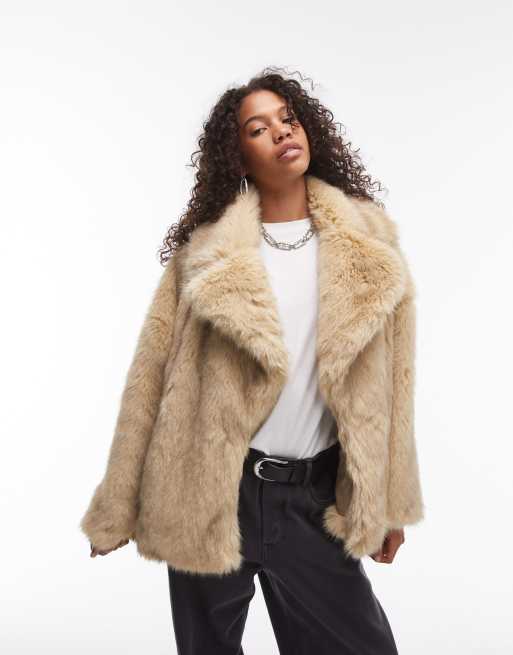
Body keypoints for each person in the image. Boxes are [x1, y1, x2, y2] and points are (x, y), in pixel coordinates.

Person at [80, 66, 425, 654]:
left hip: (314, 498)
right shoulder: (206, 256)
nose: (282, 132)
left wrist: (388, 503)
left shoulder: (370, 248)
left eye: (288, 118)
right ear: (237, 157)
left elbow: (397, 385)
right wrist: (117, 505)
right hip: (208, 491)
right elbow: (149, 381)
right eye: (258, 129)